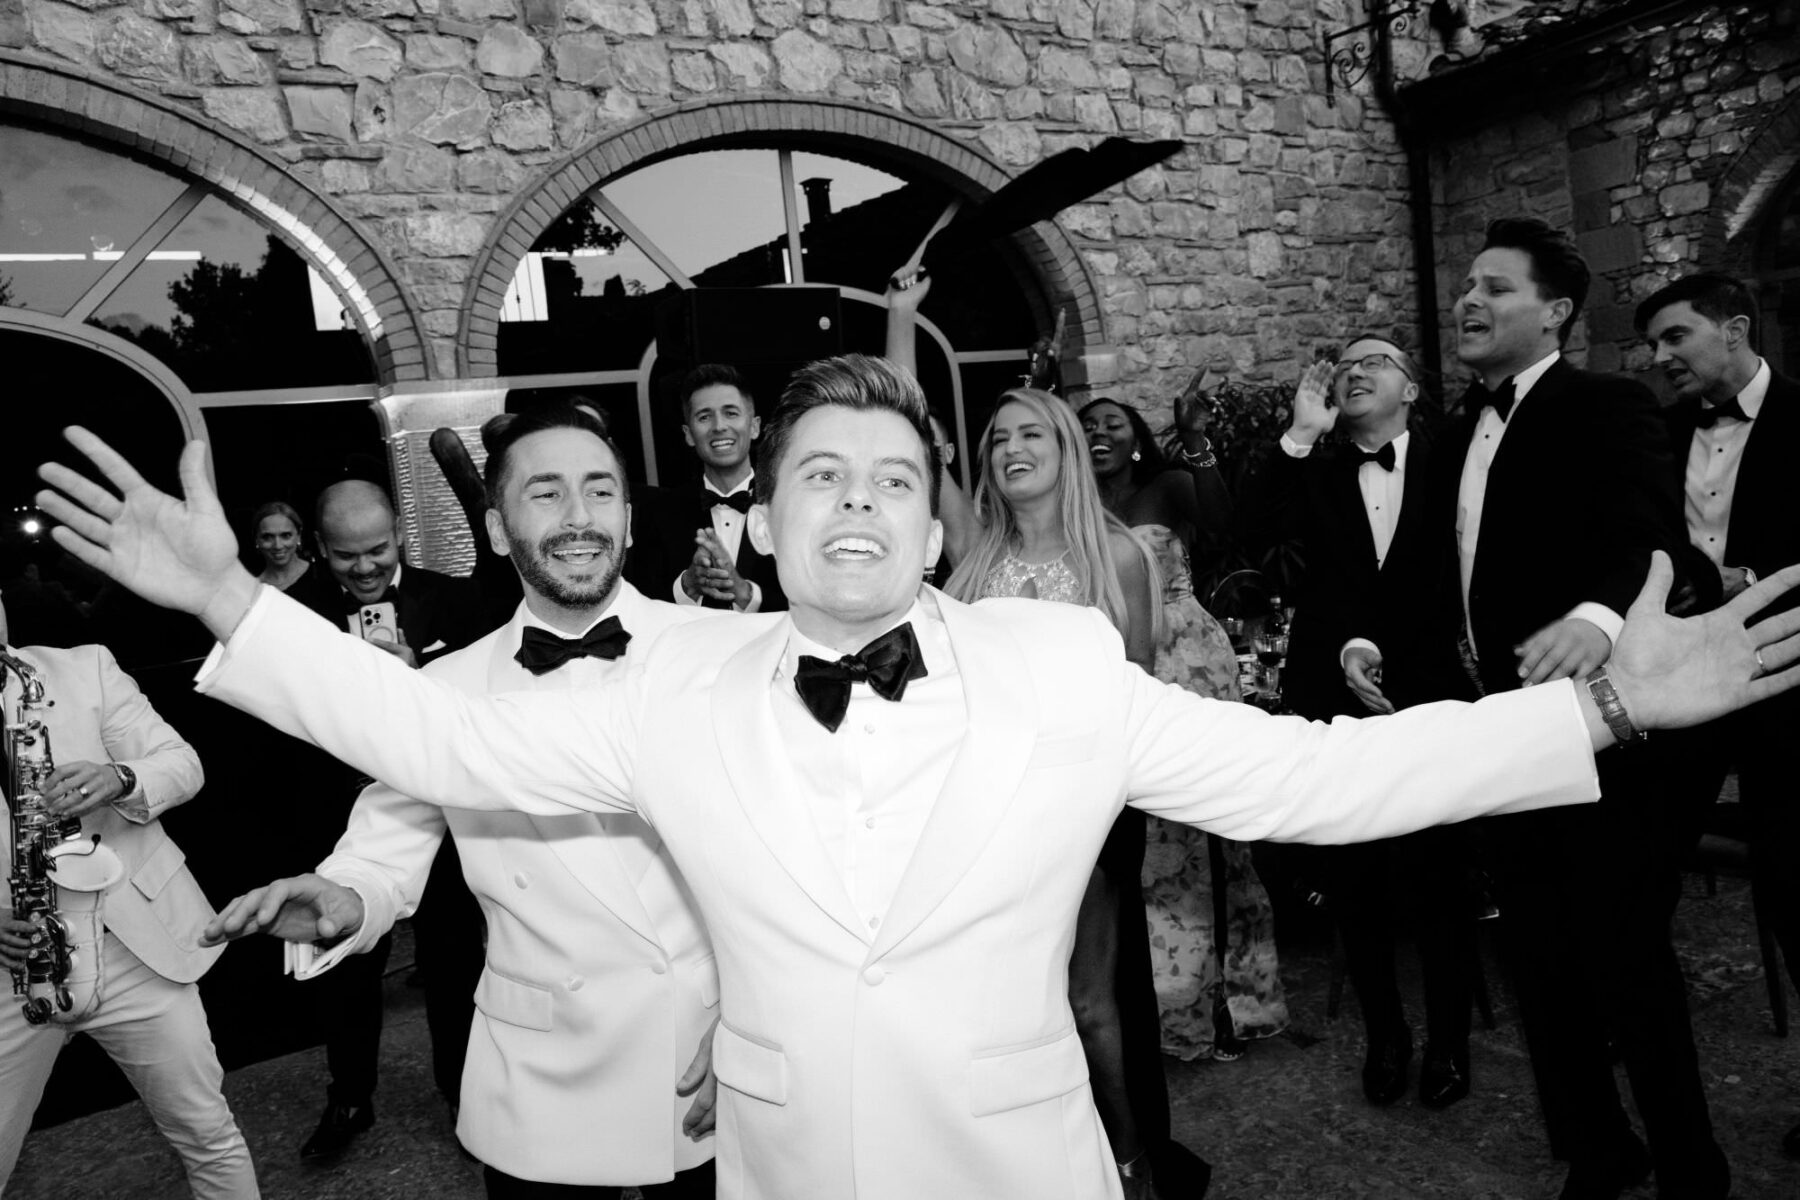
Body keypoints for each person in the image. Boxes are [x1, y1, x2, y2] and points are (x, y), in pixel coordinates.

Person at [34, 353, 1800, 1200]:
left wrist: (1601, 713)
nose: (858, 501)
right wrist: (230, 598)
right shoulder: (673, 690)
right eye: (821, 474)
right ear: (770, 514)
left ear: (938, 517)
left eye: (892, 476)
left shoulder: (1060, 663)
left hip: (1020, 1168)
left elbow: (1309, 781)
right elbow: (433, 740)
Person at [205, 406, 722, 1198]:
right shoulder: (447, 688)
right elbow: (383, 854)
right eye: (545, 493)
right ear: (495, 529)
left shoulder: (721, 656)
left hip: (707, 1051)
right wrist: (348, 897)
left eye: (599, 491)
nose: (579, 516)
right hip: (544, 1075)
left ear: (627, 516)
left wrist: (760, 1019)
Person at [1422, 216, 1721, 1200]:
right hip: (1499, 735)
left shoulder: (1607, 405)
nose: (1469, 300)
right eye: (1467, 285)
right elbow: (1433, 573)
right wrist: (1369, 643)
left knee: (1628, 963)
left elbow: (1652, 534)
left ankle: (1692, 1170)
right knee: (1536, 959)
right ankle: (1597, 1152)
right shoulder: (1452, 434)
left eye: (1495, 287)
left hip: (1603, 733)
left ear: (1555, 312)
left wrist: (1597, 617)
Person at [944, 387, 1182, 1196]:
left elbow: (1136, 693)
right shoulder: (976, 562)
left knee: (1090, 1002)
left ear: (1065, 450)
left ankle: (1130, 1162)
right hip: (995, 812)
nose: (1012, 447)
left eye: (1031, 434)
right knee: (1012, 1002)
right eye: (998, 437)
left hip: (1088, 811)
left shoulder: (1117, 558)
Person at [1237, 337, 1478, 1108]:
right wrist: (1300, 434)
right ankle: (1386, 1036)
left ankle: (1449, 1040)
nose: (1355, 371)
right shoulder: (1317, 468)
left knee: (1440, 878)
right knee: (1355, 878)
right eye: (1345, 366)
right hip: (1332, 698)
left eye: (1376, 362)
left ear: (1411, 389)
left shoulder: (1454, 461)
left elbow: (1447, 579)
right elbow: (1247, 532)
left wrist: (1381, 649)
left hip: (1430, 692)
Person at [0, 597, 258, 1198]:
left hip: (131, 949)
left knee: (208, 1134)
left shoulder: (84, 668)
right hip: (14, 968)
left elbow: (183, 763)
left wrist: (120, 778)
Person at [1636, 272, 1800, 1162]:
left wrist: (1755, 580)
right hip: (1682, 692)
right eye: (1653, 343)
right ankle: (1648, 1056)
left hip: (1787, 685)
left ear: (1734, 329)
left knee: (1796, 887)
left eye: (1676, 337)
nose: (1660, 357)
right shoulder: (1660, 433)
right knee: (1640, 871)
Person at [287, 478, 491, 1160]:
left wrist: (416, 680)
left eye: (377, 549)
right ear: (320, 548)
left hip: (443, 821)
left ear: (400, 533)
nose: (365, 567)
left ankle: (462, 1093)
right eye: (346, 555)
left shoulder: (459, 600)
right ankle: (350, 1097)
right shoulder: (295, 617)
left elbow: (486, 710)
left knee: (454, 962)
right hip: (338, 817)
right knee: (342, 966)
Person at [1080, 394, 1286, 1067]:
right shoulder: (1072, 504)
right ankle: (1160, 1007)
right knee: (1143, 846)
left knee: (1208, 831)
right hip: (1111, 667)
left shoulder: (1166, 487)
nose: (1099, 432)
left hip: (1188, 663)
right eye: (1087, 425)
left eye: (1112, 423)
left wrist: (1196, 440)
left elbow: (1225, 524)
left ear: (1137, 437)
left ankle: (1230, 1001)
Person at [634, 364, 786, 614]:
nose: (719, 426)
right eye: (704, 417)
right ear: (688, 434)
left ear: (754, 426)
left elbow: (817, 604)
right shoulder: (659, 513)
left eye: (731, 413)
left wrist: (746, 594)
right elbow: (641, 607)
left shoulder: (790, 506)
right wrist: (688, 586)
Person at [249, 501, 311, 593]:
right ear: (256, 540)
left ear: (298, 536)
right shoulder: (253, 591)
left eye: (286, 536)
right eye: (267, 537)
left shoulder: (321, 573)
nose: (278, 546)